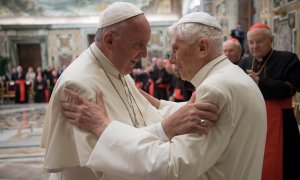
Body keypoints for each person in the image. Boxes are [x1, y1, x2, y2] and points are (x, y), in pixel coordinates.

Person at [61, 12, 267, 180]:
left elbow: (171, 166)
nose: (172, 59)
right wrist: (158, 104)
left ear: (202, 47)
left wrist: (103, 128)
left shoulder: (214, 89)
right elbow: (210, 116)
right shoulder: (234, 76)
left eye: (176, 48)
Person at [41, 3, 219, 180]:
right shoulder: (78, 84)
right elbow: (110, 164)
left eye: (146, 45)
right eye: (138, 45)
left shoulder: (118, 69)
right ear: (109, 40)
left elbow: (147, 115)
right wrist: (169, 127)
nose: (144, 54)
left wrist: (184, 110)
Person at [239, 23, 300, 180]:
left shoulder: (288, 59)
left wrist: (261, 82)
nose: (254, 46)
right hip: (251, 121)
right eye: (251, 42)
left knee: (285, 164)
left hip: (281, 121)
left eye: (259, 41)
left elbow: (292, 88)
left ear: (270, 40)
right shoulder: (244, 63)